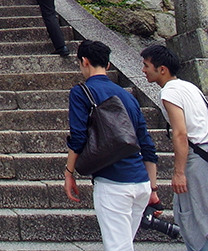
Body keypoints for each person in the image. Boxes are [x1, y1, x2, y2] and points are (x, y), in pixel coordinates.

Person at [64, 40, 158, 251]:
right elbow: (146, 144)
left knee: (118, 248)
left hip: (113, 183)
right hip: (141, 184)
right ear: (107, 65)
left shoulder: (81, 92)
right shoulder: (128, 96)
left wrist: (69, 172)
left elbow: (78, 138)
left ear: (84, 61)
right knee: (124, 245)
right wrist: (153, 188)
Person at [140, 44, 208, 251]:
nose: (143, 70)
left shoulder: (169, 92)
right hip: (204, 154)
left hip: (196, 160)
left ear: (162, 69)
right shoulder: (189, 87)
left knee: (193, 217)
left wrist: (179, 172)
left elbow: (180, 133)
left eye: (146, 65)